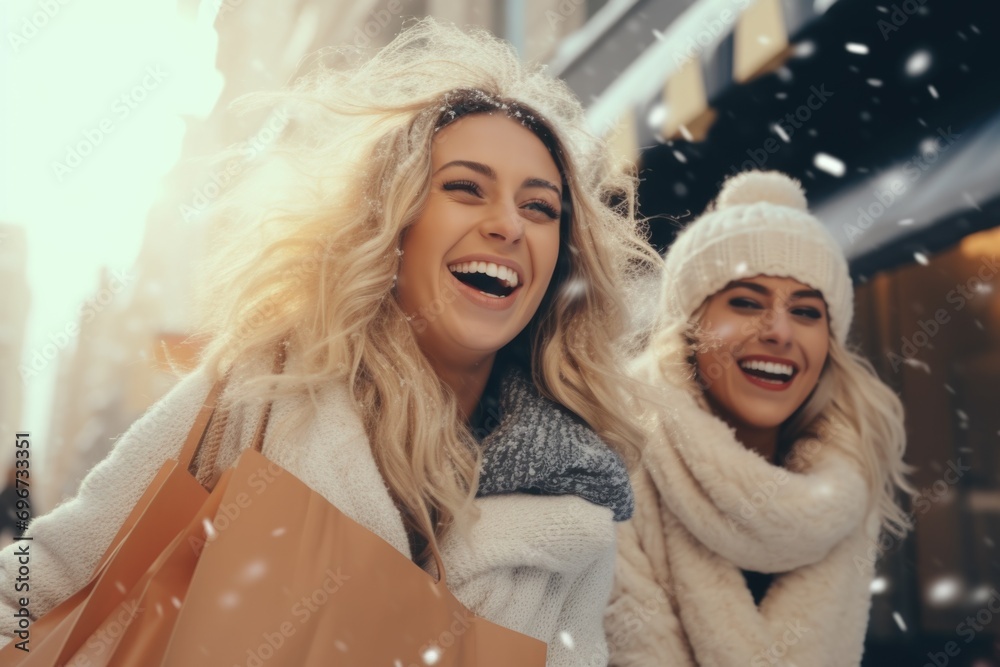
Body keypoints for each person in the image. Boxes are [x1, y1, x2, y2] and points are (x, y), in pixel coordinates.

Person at [0, 19, 660, 665]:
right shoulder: (260, 391)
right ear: (395, 221)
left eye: (540, 207)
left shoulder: (577, 502)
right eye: (465, 188)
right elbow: (35, 582)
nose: (509, 225)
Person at [605, 171, 913, 666]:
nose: (779, 331)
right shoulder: (607, 471)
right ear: (689, 329)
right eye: (746, 302)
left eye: (807, 312)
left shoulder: (850, 487)